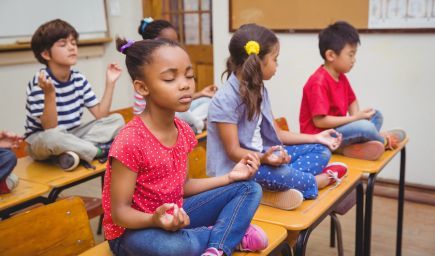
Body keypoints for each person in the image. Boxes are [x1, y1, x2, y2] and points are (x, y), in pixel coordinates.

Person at [102, 38, 268, 256]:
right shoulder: (130, 140)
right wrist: (156, 219)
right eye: (170, 78)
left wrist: (229, 178)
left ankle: (217, 248)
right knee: (171, 248)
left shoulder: (183, 130)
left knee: (249, 188)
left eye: (189, 76)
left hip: (177, 213)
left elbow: (184, 186)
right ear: (142, 87)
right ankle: (228, 234)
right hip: (134, 231)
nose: (185, 84)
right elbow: (119, 213)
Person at [206, 23, 347, 211]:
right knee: (278, 173)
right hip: (239, 170)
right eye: (275, 59)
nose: (277, 65)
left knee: (321, 150)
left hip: (263, 159)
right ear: (258, 61)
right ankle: (316, 181)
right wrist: (265, 159)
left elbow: (278, 133)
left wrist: (316, 137)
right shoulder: (225, 100)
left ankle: (276, 188)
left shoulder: (259, 90)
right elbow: (233, 152)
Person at [25, 19, 125, 171]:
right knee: (54, 137)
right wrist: (49, 93)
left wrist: (110, 83)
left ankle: (71, 153)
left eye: (73, 42)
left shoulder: (78, 78)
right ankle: (98, 151)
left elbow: (101, 115)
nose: (72, 47)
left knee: (117, 119)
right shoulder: (40, 81)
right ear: (46, 54)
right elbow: (50, 128)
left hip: (73, 135)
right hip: (41, 141)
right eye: (63, 44)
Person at [299, 21, 406, 160]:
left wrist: (358, 118)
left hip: (339, 131)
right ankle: (383, 140)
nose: (354, 60)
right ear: (331, 55)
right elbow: (320, 122)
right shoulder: (318, 82)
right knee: (365, 127)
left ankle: (351, 147)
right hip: (321, 138)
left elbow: (352, 100)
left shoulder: (341, 77)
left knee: (376, 115)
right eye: (350, 55)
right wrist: (356, 120)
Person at [134, 17, 217, 134]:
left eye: (189, 75)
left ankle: (190, 125)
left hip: (172, 110)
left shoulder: (170, 63)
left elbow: (175, 97)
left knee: (209, 102)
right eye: (170, 78)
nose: (175, 48)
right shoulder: (149, 70)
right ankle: (197, 125)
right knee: (184, 112)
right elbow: (171, 102)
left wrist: (202, 93)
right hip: (160, 119)